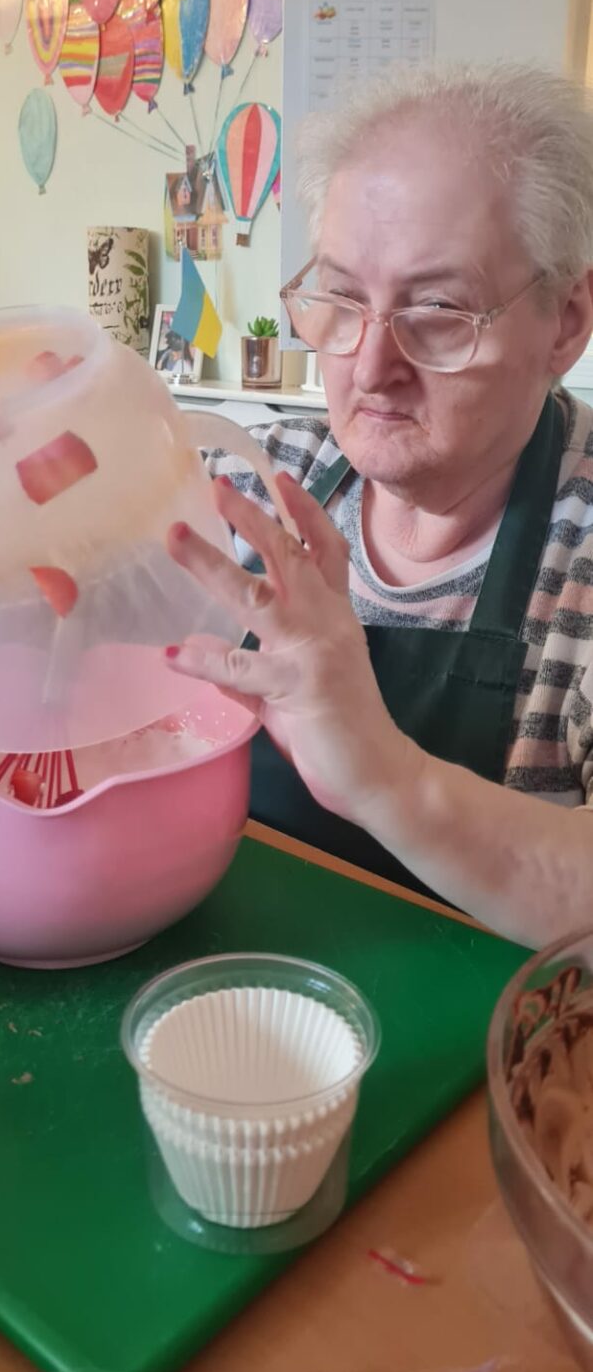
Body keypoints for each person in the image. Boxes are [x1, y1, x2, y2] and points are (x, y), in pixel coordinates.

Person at [166, 60, 593, 949]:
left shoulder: (577, 553)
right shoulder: (258, 480)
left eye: (436, 310)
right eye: (341, 298)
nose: (368, 369)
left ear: (564, 321)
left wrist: (385, 777)